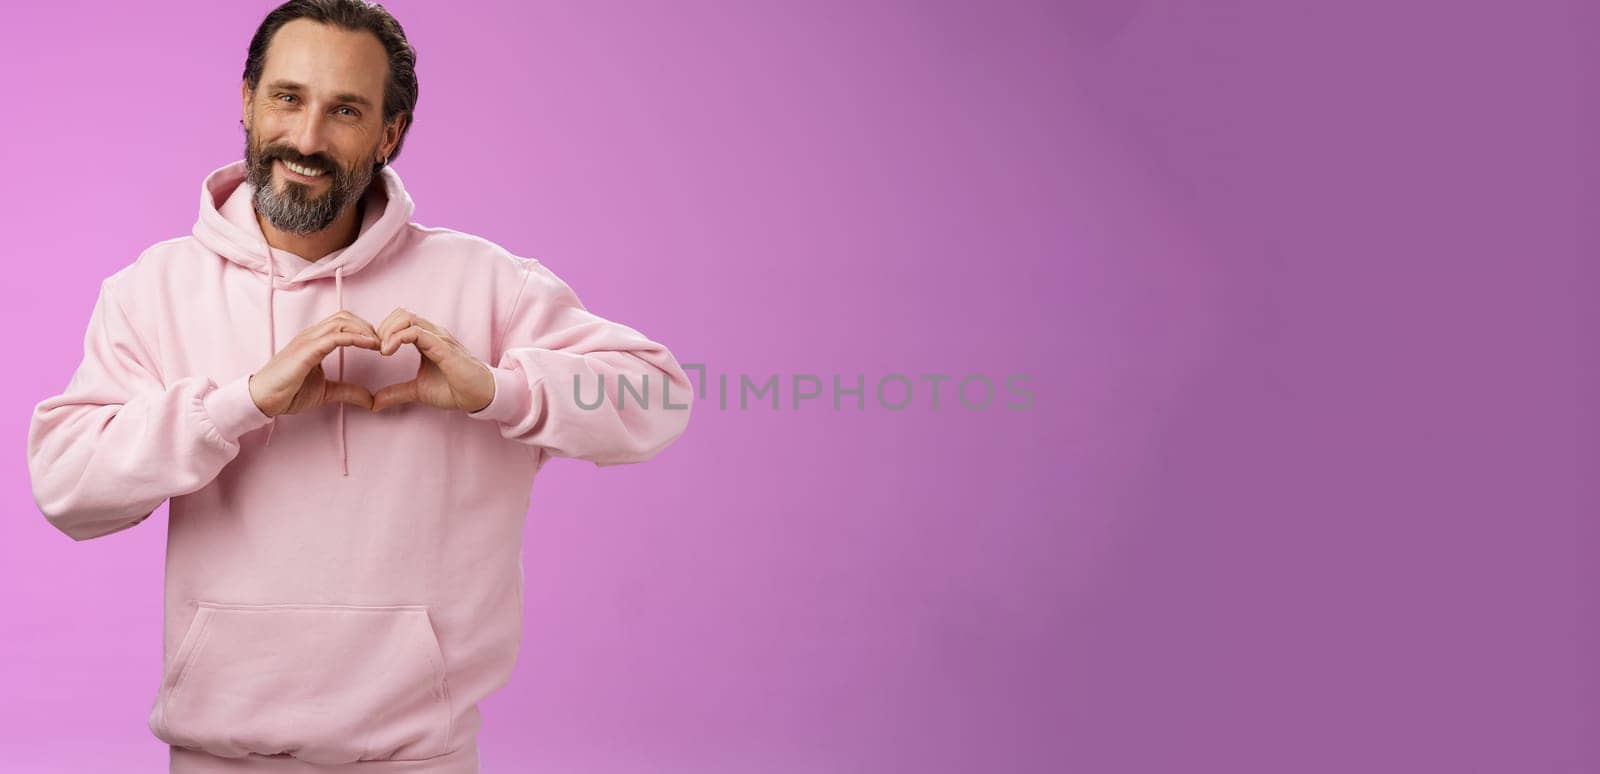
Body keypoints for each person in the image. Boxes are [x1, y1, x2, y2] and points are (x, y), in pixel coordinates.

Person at [24, 1, 692, 771]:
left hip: (419, 759)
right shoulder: (152, 290)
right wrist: (239, 403)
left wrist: (500, 392)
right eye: (287, 98)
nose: (306, 140)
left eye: (344, 110)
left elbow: (662, 399)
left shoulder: (486, 285)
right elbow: (68, 486)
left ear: (389, 134)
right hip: (218, 755)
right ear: (247, 99)